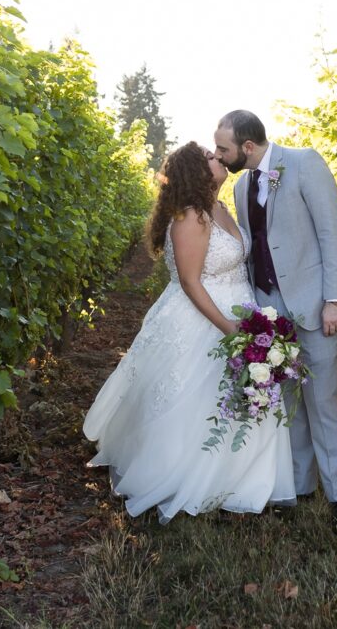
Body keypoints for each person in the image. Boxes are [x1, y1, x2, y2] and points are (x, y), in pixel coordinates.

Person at [83, 141, 296, 523]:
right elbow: (190, 281)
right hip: (202, 317)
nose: (219, 158)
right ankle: (187, 475)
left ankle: (242, 477)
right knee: (195, 400)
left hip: (239, 309)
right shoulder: (189, 217)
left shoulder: (220, 208)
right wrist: (229, 328)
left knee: (239, 396)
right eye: (211, 158)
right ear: (196, 172)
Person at [214, 110, 337, 530]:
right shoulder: (242, 187)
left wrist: (335, 300)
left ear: (247, 146)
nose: (219, 156)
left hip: (314, 305)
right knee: (289, 401)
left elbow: (334, 233)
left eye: (224, 148)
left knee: (323, 402)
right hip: (269, 309)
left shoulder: (303, 163)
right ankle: (300, 484)